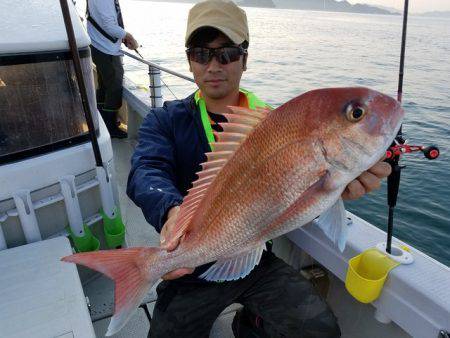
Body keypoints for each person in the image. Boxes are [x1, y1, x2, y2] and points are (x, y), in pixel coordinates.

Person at [127, 0, 391, 337]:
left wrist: (337, 190)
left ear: (245, 58)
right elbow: (146, 170)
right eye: (201, 53)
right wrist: (171, 212)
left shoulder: (278, 126)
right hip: (189, 262)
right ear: (189, 59)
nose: (214, 65)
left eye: (227, 53)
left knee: (319, 329)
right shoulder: (164, 121)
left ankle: (249, 325)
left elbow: (295, 203)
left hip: (255, 255)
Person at [86, 0, 139, 138]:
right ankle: (110, 127)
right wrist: (128, 36)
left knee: (104, 85)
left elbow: (104, 22)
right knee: (114, 86)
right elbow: (109, 26)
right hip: (105, 48)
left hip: (99, 45)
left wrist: (120, 37)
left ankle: (102, 121)